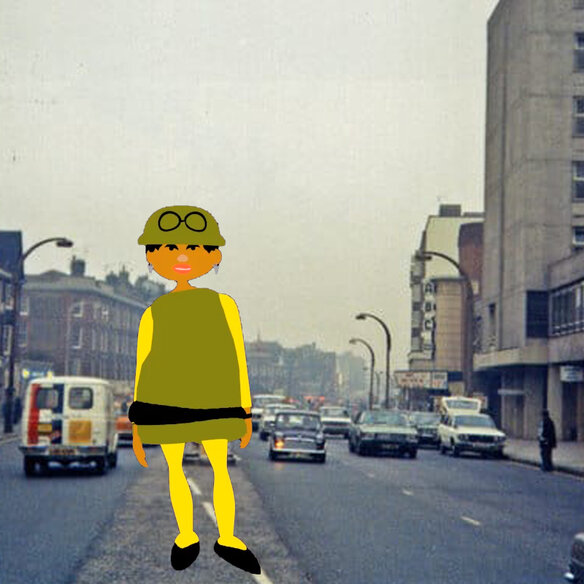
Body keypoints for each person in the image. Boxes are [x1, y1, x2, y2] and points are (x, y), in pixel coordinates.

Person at [129, 205, 260, 574]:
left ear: (213, 257)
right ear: (153, 257)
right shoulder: (153, 312)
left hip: (213, 402)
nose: (182, 257)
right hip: (165, 403)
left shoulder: (224, 305)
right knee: (177, 469)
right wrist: (137, 422)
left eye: (194, 249)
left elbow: (238, 358)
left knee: (218, 467)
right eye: (170, 248)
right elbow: (142, 366)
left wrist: (245, 410)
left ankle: (226, 537)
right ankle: (186, 535)